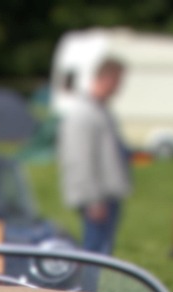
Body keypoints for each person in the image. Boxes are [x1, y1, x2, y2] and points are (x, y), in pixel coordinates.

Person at [57, 58, 130, 259]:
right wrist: (92, 200)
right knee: (94, 254)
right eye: (118, 81)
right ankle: (87, 290)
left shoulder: (102, 111)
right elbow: (79, 159)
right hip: (96, 198)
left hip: (108, 194)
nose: (119, 88)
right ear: (106, 79)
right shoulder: (83, 114)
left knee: (103, 252)